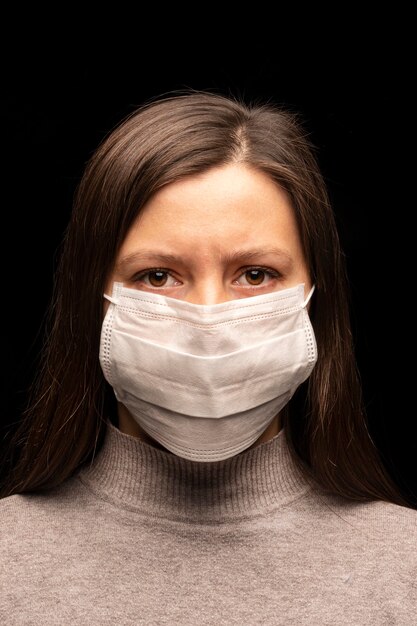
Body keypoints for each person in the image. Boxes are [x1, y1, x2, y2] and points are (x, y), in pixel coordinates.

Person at [0, 89, 415, 625]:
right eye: (158, 276)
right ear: (93, 300)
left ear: (316, 297)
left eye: (255, 274)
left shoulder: (403, 571)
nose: (208, 322)